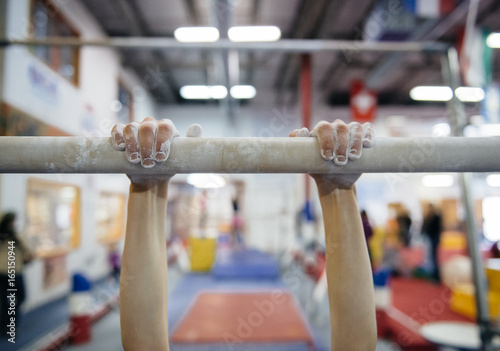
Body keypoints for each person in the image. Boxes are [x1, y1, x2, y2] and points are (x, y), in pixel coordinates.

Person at [112, 117, 376, 351]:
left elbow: (142, 344)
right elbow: (358, 345)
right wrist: (338, 191)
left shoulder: (237, 209)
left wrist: (147, 187)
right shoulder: (234, 208)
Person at [0, 212, 33, 335]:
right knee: (18, 298)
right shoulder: (15, 237)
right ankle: (10, 325)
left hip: (3, 273)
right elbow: (28, 252)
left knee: (5, 300)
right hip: (12, 273)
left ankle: (5, 325)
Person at [422, 203, 442, 282]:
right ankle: (433, 274)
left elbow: (437, 229)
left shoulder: (436, 217)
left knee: (434, 258)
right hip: (430, 239)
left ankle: (436, 276)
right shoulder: (429, 217)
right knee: (431, 258)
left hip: (434, 239)